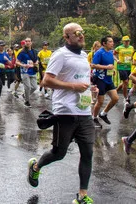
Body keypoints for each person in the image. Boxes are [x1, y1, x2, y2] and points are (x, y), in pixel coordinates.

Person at [27, 23, 95, 204]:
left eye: (83, 32)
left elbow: (81, 79)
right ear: (67, 37)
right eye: (77, 33)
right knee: (59, 153)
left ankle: (82, 195)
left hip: (84, 111)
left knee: (88, 153)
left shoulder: (83, 55)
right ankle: (36, 166)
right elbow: (46, 81)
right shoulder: (60, 55)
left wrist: (89, 88)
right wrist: (73, 87)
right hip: (65, 111)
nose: (81, 36)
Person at [91, 36, 119, 128]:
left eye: (112, 41)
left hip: (108, 79)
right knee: (100, 101)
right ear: (104, 43)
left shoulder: (110, 53)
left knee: (115, 98)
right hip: (100, 79)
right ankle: (94, 118)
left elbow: (109, 65)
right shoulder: (99, 53)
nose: (112, 43)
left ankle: (103, 114)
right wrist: (106, 68)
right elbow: (93, 65)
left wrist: (112, 70)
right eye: (110, 42)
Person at [16, 37, 39, 107]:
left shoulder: (35, 51)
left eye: (29, 41)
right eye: (26, 41)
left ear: (31, 42)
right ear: (24, 43)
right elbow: (17, 62)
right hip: (25, 72)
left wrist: (36, 63)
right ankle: (27, 102)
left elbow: (37, 60)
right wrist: (23, 65)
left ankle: (24, 95)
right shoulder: (22, 52)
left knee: (34, 87)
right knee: (28, 87)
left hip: (33, 71)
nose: (27, 42)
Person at [114, 35, 134, 101]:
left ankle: (115, 92)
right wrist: (117, 60)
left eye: (128, 41)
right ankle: (125, 98)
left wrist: (132, 59)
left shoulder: (131, 48)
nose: (127, 42)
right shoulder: (119, 48)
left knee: (124, 82)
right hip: (121, 66)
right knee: (125, 81)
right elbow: (113, 54)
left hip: (128, 67)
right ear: (123, 41)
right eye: (125, 41)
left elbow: (133, 56)